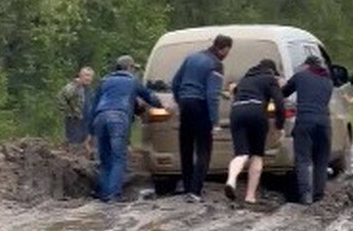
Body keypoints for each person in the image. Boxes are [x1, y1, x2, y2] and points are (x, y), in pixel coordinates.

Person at [87, 55, 163, 202]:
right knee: (118, 158)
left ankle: (103, 193)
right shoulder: (132, 81)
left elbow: (93, 107)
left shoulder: (104, 81)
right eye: (133, 68)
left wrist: (90, 133)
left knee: (105, 158)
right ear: (129, 68)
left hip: (100, 118)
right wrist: (163, 105)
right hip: (118, 119)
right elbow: (151, 98)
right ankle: (114, 195)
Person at [171, 34, 233, 203]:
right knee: (204, 149)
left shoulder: (192, 57)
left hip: (185, 103)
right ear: (225, 48)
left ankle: (187, 186)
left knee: (186, 147)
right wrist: (214, 121)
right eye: (228, 51)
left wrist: (180, 100)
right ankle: (195, 191)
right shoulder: (216, 64)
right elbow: (212, 95)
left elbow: (175, 82)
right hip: (201, 106)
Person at [224, 59, 285, 204]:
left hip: (237, 111)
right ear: (271, 71)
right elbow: (279, 101)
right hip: (257, 111)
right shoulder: (269, 78)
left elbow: (234, 92)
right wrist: (279, 125)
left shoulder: (245, 79)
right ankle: (250, 196)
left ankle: (231, 180)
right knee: (257, 155)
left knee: (242, 153)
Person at [281, 55, 334, 204]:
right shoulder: (328, 82)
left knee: (303, 159)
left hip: (305, 121)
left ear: (307, 66)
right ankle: (319, 196)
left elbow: (283, 93)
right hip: (324, 123)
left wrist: (281, 84)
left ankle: (305, 196)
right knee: (321, 161)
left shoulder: (301, 76)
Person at [58, 67, 95, 144]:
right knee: (74, 143)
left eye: (90, 76)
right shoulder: (72, 87)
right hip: (74, 121)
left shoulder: (89, 89)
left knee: (85, 144)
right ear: (80, 75)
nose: (88, 78)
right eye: (86, 75)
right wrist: (70, 112)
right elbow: (61, 99)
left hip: (86, 121)